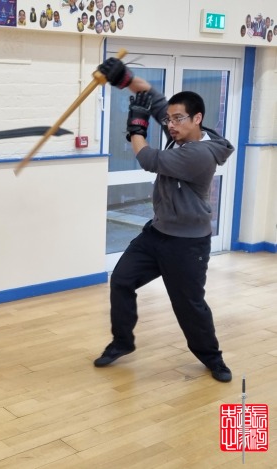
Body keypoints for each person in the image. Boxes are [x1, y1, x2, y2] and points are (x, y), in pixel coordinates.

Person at [93, 58, 234, 383]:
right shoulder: (181, 129)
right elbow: (152, 95)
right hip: (156, 234)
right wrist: (124, 77)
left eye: (178, 119)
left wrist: (136, 127)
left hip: (187, 243)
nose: (170, 124)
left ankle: (213, 359)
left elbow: (148, 159)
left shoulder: (200, 153)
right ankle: (122, 342)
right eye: (168, 119)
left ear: (197, 118)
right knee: (123, 281)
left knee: (189, 306)